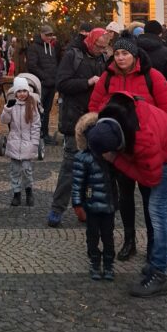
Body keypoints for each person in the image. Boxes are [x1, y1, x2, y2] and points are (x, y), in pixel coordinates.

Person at [90, 37, 167, 263]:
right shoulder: (108, 77)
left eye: (125, 54)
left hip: (148, 148)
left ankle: (153, 242)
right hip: (121, 148)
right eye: (117, 54)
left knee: (151, 199)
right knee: (125, 196)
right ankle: (129, 240)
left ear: (135, 56)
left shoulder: (152, 77)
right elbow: (94, 106)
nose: (120, 58)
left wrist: (151, 133)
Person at [100, 91, 167, 296]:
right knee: (164, 207)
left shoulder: (142, 137)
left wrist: (116, 160)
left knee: (157, 210)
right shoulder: (118, 114)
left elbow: (149, 178)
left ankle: (159, 273)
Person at [47, 27, 107, 228]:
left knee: (94, 168)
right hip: (74, 120)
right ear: (90, 42)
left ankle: (83, 207)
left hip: (96, 119)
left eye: (104, 48)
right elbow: (62, 84)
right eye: (98, 47)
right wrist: (88, 82)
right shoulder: (73, 55)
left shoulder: (102, 58)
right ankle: (57, 209)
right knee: (70, 167)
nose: (101, 50)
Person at [72, 111, 120, 280]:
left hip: (108, 206)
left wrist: (116, 202)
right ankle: (94, 262)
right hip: (91, 206)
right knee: (92, 236)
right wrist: (78, 203)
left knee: (108, 236)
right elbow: (77, 182)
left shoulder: (110, 157)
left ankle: (108, 264)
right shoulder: (83, 158)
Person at [1, 76, 41, 207]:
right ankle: (16, 193)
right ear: (15, 92)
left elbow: (36, 125)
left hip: (28, 143)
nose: (22, 94)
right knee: (15, 170)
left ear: (28, 92)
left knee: (26, 169)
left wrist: (34, 143)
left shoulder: (32, 105)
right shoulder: (12, 105)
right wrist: (7, 108)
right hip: (14, 142)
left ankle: (29, 191)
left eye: (24, 91)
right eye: (19, 91)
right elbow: (4, 120)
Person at [26, 23, 60, 145]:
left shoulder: (51, 48)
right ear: (41, 34)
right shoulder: (34, 47)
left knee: (47, 110)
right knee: (38, 110)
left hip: (51, 84)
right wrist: (44, 77)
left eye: (51, 35)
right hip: (41, 84)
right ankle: (37, 134)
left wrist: (55, 78)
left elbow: (54, 64)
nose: (50, 37)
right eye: (47, 35)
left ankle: (44, 133)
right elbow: (32, 66)